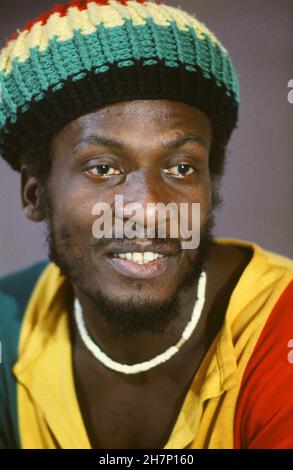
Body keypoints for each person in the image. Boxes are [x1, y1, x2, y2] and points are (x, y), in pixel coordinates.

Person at [0, 0, 292, 450]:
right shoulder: (9, 326)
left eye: (181, 168)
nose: (149, 208)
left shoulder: (278, 328)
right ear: (35, 194)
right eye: (102, 168)